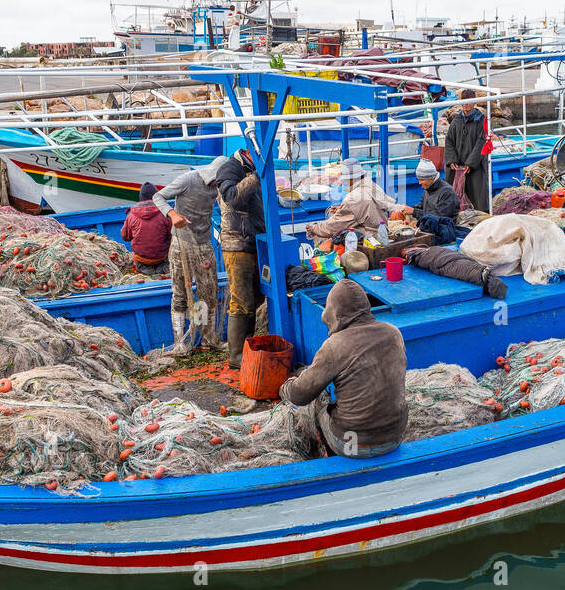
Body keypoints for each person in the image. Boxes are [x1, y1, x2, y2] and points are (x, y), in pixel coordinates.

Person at [279, 278, 408, 459]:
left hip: (353, 445)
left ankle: (327, 455)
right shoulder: (393, 332)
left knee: (320, 402)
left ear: (333, 313)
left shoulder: (334, 346)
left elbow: (299, 396)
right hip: (395, 437)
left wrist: (286, 387)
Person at [153, 156, 228, 355]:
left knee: (208, 293)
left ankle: (208, 339)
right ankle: (179, 342)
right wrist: (173, 214)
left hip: (203, 243)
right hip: (181, 244)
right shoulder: (187, 180)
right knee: (180, 294)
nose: (216, 185)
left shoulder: (219, 188)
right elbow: (157, 197)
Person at [216, 141, 267, 368]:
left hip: (255, 243)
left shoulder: (248, 169)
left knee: (255, 298)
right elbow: (232, 197)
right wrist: (258, 176)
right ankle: (236, 356)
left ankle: (248, 345)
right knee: (240, 301)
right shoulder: (230, 167)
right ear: (249, 153)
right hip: (237, 244)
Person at [304, 158, 398, 241]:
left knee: (335, 229)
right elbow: (368, 209)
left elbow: (335, 226)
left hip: (370, 239)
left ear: (351, 179)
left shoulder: (353, 198)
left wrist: (315, 228)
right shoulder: (373, 185)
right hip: (383, 233)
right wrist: (342, 208)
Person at [444, 88, 491, 212]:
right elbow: (449, 140)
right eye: (464, 101)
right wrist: (451, 160)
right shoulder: (456, 120)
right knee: (453, 192)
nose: (466, 104)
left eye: (469, 101)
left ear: (475, 102)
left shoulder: (481, 120)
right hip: (457, 164)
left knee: (477, 193)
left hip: (475, 165)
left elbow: (482, 142)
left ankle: (481, 216)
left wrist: (470, 163)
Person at [120, 182, 171, 274]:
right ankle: (161, 270)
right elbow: (172, 237)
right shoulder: (166, 212)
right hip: (162, 258)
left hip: (142, 260)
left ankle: (147, 270)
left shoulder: (131, 215)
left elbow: (125, 237)